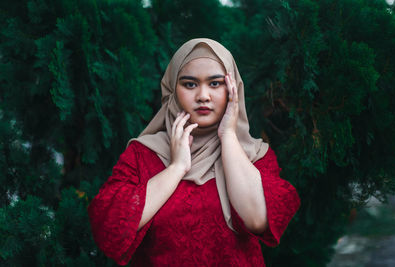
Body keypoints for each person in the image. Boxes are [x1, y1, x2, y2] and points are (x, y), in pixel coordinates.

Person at [88, 38, 300, 266]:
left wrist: (228, 136)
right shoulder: (142, 154)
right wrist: (176, 168)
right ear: (172, 90)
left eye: (215, 84)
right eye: (190, 84)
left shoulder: (255, 155)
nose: (203, 96)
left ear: (233, 90)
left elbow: (257, 220)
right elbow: (111, 228)